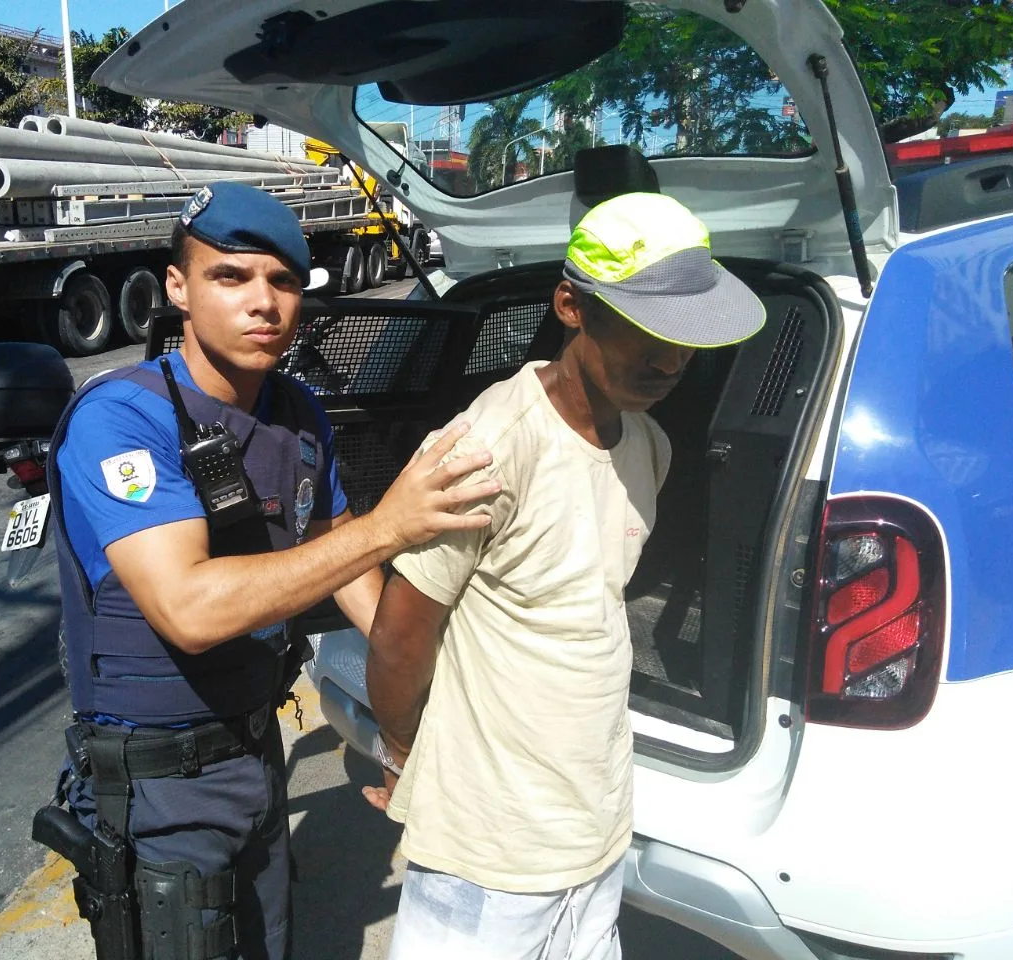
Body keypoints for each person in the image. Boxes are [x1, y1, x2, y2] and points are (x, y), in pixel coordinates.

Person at [40, 180, 499, 960]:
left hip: (255, 757)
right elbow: (190, 609)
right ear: (178, 287)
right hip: (159, 790)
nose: (264, 302)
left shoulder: (297, 412)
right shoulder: (122, 417)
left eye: (283, 281)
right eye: (232, 276)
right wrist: (390, 525)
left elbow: (350, 570)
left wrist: (426, 707)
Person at [362, 192, 766, 960]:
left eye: (686, 336)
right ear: (570, 306)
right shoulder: (487, 448)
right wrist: (412, 755)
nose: (672, 360)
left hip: (596, 821)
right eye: (648, 329)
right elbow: (398, 635)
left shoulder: (648, 445)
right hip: (491, 845)